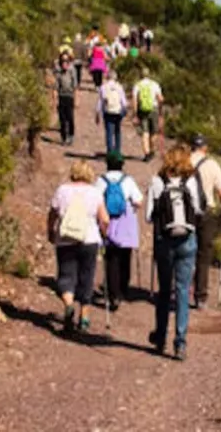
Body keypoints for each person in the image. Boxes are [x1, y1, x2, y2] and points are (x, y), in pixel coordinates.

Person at [147, 146, 204, 361]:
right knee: (182, 292)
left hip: (165, 241)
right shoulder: (190, 181)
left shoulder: (157, 181)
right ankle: (180, 343)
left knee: (164, 291)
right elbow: (199, 210)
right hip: (187, 241)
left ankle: (160, 337)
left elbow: (148, 217)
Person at [48, 160, 108, 336]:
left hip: (66, 238)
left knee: (66, 275)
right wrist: (104, 233)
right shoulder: (95, 193)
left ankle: (68, 305)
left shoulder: (62, 190)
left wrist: (50, 231)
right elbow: (104, 219)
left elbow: (52, 213)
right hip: (89, 239)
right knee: (86, 277)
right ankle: (84, 316)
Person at [190, 134, 221, 308]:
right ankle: (200, 296)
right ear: (205, 147)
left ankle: (178, 287)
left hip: (185, 211)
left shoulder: (183, 161)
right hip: (207, 213)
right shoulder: (212, 164)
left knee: (183, 249)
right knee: (203, 254)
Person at [95, 152, 142, 312]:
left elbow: (96, 200)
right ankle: (123, 289)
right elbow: (138, 200)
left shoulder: (101, 180)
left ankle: (113, 293)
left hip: (107, 220)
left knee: (111, 258)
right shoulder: (128, 180)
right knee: (125, 256)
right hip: (125, 221)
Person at [133, 69, 164, 161]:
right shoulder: (154, 84)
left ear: (140, 75)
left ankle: (146, 153)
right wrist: (160, 109)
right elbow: (160, 99)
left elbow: (135, 100)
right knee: (153, 131)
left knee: (145, 132)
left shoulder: (137, 85)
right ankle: (152, 149)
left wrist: (135, 113)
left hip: (142, 110)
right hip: (153, 109)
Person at [99, 70, 127, 156]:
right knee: (117, 131)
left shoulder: (103, 87)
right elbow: (123, 101)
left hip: (108, 111)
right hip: (118, 111)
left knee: (109, 132)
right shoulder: (119, 87)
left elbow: (101, 101)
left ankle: (110, 152)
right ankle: (117, 151)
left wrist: (98, 112)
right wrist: (124, 111)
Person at [55, 52, 78, 145]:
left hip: (69, 96)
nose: (64, 62)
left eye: (66, 60)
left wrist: (76, 99)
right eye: (63, 60)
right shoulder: (58, 72)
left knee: (70, 117)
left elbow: (75, 86)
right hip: (61, 96)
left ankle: (71, 135)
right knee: (62, 119)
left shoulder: (72, 71)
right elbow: (56, 87)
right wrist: (55, 99)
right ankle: (64, 137)